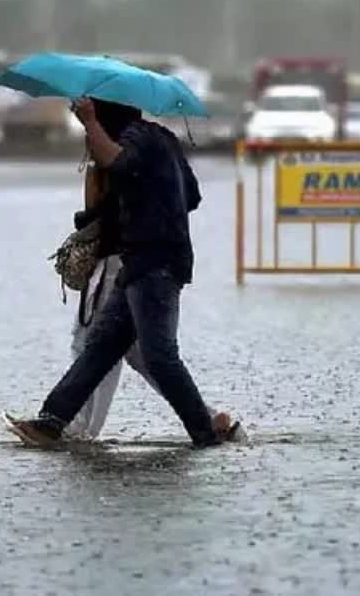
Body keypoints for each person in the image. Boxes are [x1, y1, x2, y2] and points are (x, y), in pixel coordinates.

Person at [6, 97, 237, 448]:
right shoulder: (162, 139)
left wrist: (89, 124)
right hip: (143, 262)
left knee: (159, 356)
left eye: (96, 113)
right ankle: (51, 422)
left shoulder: (135, 139)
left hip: (154, 263)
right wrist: (149, 197)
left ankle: (205, 431)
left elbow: (117, 162)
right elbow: (191, 196)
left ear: (106, 114)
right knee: (101, 346)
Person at [65, 160, 243, 442]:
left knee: (94, 343)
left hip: (116, 262)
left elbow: (98, 214)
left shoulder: (112, 160)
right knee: (138, 352)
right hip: (137, 262)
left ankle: (79, 427)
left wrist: (92, 177)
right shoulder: (149, 160)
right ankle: (207, 418)